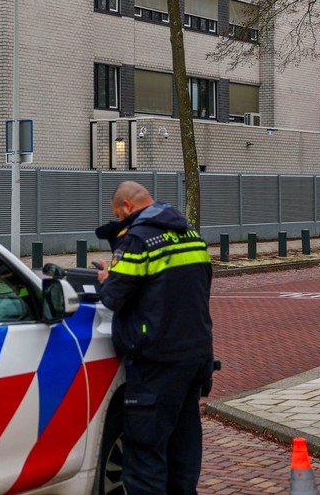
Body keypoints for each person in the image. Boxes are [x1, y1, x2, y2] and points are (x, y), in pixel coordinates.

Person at [93, 181, 213, 494]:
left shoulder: (137, 239)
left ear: (127, 207)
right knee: (182, 453)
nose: (120, 222)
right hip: (196, 357)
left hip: (157, 362)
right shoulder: (191, 235)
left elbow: (114, 298)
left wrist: (107, 279)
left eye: (118, 216)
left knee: (145, 459)